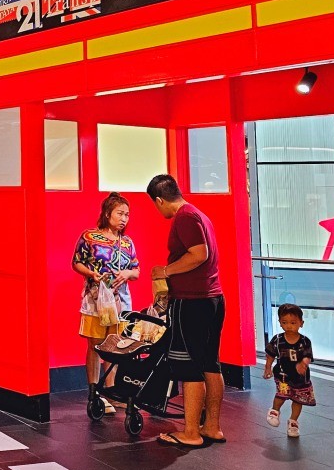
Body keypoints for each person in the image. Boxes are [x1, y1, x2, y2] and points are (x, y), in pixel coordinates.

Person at [147, 173, 226, 448]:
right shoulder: (200, 215)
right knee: (210, 364)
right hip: (213, 298)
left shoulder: (184, 217)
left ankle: (190, 432)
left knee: (190, 367)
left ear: (159, 200)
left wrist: (165, 270)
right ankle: (212, 426)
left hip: (193, 301)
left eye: (155, 206)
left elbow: (199, 254)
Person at [72, 192, 141, 410]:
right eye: (120, 213)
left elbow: (137, 270)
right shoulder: (89, 237)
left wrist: (128, 274)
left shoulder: (127, 242)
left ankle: (111, 391)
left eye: (127, 215)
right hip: (95, 300)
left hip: (119, 301)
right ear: (107, 213)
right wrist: (92, 274)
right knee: (94, 345)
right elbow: (76, 262)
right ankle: (94, 392)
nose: (124, 219)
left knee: (114, 344)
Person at [263, 303, 315, 438]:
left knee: (298, 399)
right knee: (282, 393)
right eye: (285, 322)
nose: (289, 326)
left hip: (300, 378)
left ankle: (293, 422)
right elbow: (270, 354)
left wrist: (303, 363)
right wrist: (268, 367)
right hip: (282, 375)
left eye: (293, 322)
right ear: (280, 322)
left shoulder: (305, 341)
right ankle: (274, 411)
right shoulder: (277, 340)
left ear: (301, 323)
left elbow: (308, 356)